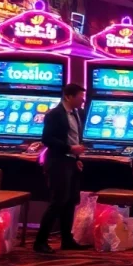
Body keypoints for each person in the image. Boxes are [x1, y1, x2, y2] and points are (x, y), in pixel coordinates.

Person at [34, 83, 90, 254]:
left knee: (70, 201)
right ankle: (40, 242)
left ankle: (67, 239)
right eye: (80, 97)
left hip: (71, 161)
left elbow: (74, 138)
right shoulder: (54, 114)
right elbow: (47, 139)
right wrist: (69, 149)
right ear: (68, 96)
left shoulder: (77, 113)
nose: (83, 100)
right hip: (58, 162)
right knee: (58, 202)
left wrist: (76, 158)